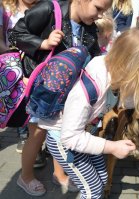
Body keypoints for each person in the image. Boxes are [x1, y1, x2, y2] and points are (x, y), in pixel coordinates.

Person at [41, 27, 139, 199]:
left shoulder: (113, 74)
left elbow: (118, 99)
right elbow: (70, 138)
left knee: (103, 177)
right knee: (93, 189)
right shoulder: (89, 88)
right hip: (64, 140)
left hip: (85, 134)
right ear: (131, 69)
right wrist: (112, 147)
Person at [8, 0, 112, 196]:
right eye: (98, 8)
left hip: (67, 91)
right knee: (38, 134)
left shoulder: (89, 27)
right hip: (43, 89)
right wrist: (43, 43)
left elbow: (93, 55)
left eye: (103, 11)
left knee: (61, 133)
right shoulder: (49, 8)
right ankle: (26, 176)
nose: (99, 15)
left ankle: (59, 174)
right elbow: (15, 34)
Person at [0, 0, 39, 154]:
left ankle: (40, 137)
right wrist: (12, 55)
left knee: (33, 96)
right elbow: (1, 39)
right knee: (18, 97)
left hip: (34, 59)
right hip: (13, 60)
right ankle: (23, 134)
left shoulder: (44, 7)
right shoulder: (6, 9)